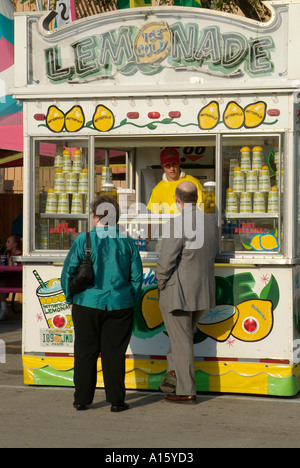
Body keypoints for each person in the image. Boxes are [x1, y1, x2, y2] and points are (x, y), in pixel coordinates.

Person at [61, 196, 143, 413]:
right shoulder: (127, 242)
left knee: (85, 351)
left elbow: (67, 273)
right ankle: (116, 401)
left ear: (95, 216)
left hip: (86, 303)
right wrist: (129, 299)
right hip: (120, 304)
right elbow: (136, 278)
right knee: (114, 353)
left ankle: (82, 399)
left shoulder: (83, 239)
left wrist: (70, 299)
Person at [156, 181, 218, 404]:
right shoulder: (211, 222)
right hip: (203, 291)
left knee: (182, 342)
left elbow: (165, 262)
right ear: (197, 198)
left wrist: (161, 284)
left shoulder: (176, 223)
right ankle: (174, 375)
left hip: (179, 292)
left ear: (177, 199)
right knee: (181, 339)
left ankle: (186, 391)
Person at [147, 148, 203, 216]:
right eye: (167, 165)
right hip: (169, 226)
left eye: (174, 164)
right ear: (162, 166)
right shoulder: (157, 190)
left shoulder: (193, 182)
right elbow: (153, 217)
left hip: (191, 224)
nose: (172, 168)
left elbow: (202, 207)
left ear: (179, 163)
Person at [0, 234, 22, 320]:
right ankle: (3, 307)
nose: (6, 244)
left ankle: (4, 308)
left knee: (1, 283)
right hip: (9, 277)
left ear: (15, 244)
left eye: (8, 242)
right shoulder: (8, 254)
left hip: (18, 280)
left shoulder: (21, 255)